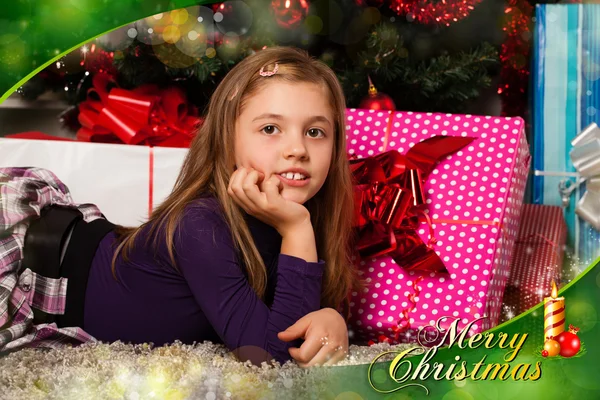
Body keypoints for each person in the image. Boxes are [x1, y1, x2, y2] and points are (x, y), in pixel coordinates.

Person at [0, 46, 363, 367]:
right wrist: (297, 228)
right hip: (39, 267)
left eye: (315, 132)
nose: (297, 149)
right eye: (270, 129)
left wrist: (329, 316)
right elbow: (273, 361)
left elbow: (291, 328)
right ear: (228, 137)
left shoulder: (296, 220)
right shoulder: (201, 225)